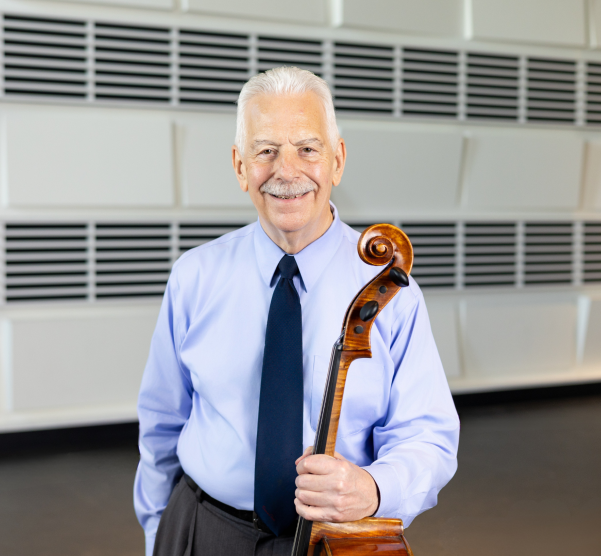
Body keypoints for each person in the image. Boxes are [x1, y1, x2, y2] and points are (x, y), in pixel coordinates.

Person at [133, 66, 459, 556]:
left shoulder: (391, 290)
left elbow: (428, 436)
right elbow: (161, 427)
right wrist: (162, 536)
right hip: (205, 530)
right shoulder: (194, 276)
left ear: (338, 160)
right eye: (266, 151)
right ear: (241, 166)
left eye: (308, 149)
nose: (287, 172)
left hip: (333, 540)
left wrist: (371, 489)